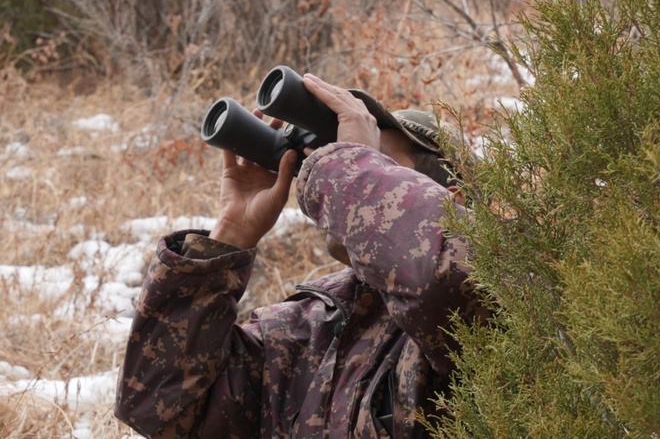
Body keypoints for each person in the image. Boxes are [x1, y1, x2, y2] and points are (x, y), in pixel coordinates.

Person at [114, 73, 489, 438]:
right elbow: (159, 410)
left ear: (451, 199)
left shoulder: (502, 295)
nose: (346, 165)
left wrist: (349, 165)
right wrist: (230, 235)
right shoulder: (309, 327)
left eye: (377, 162)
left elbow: (445, 278)